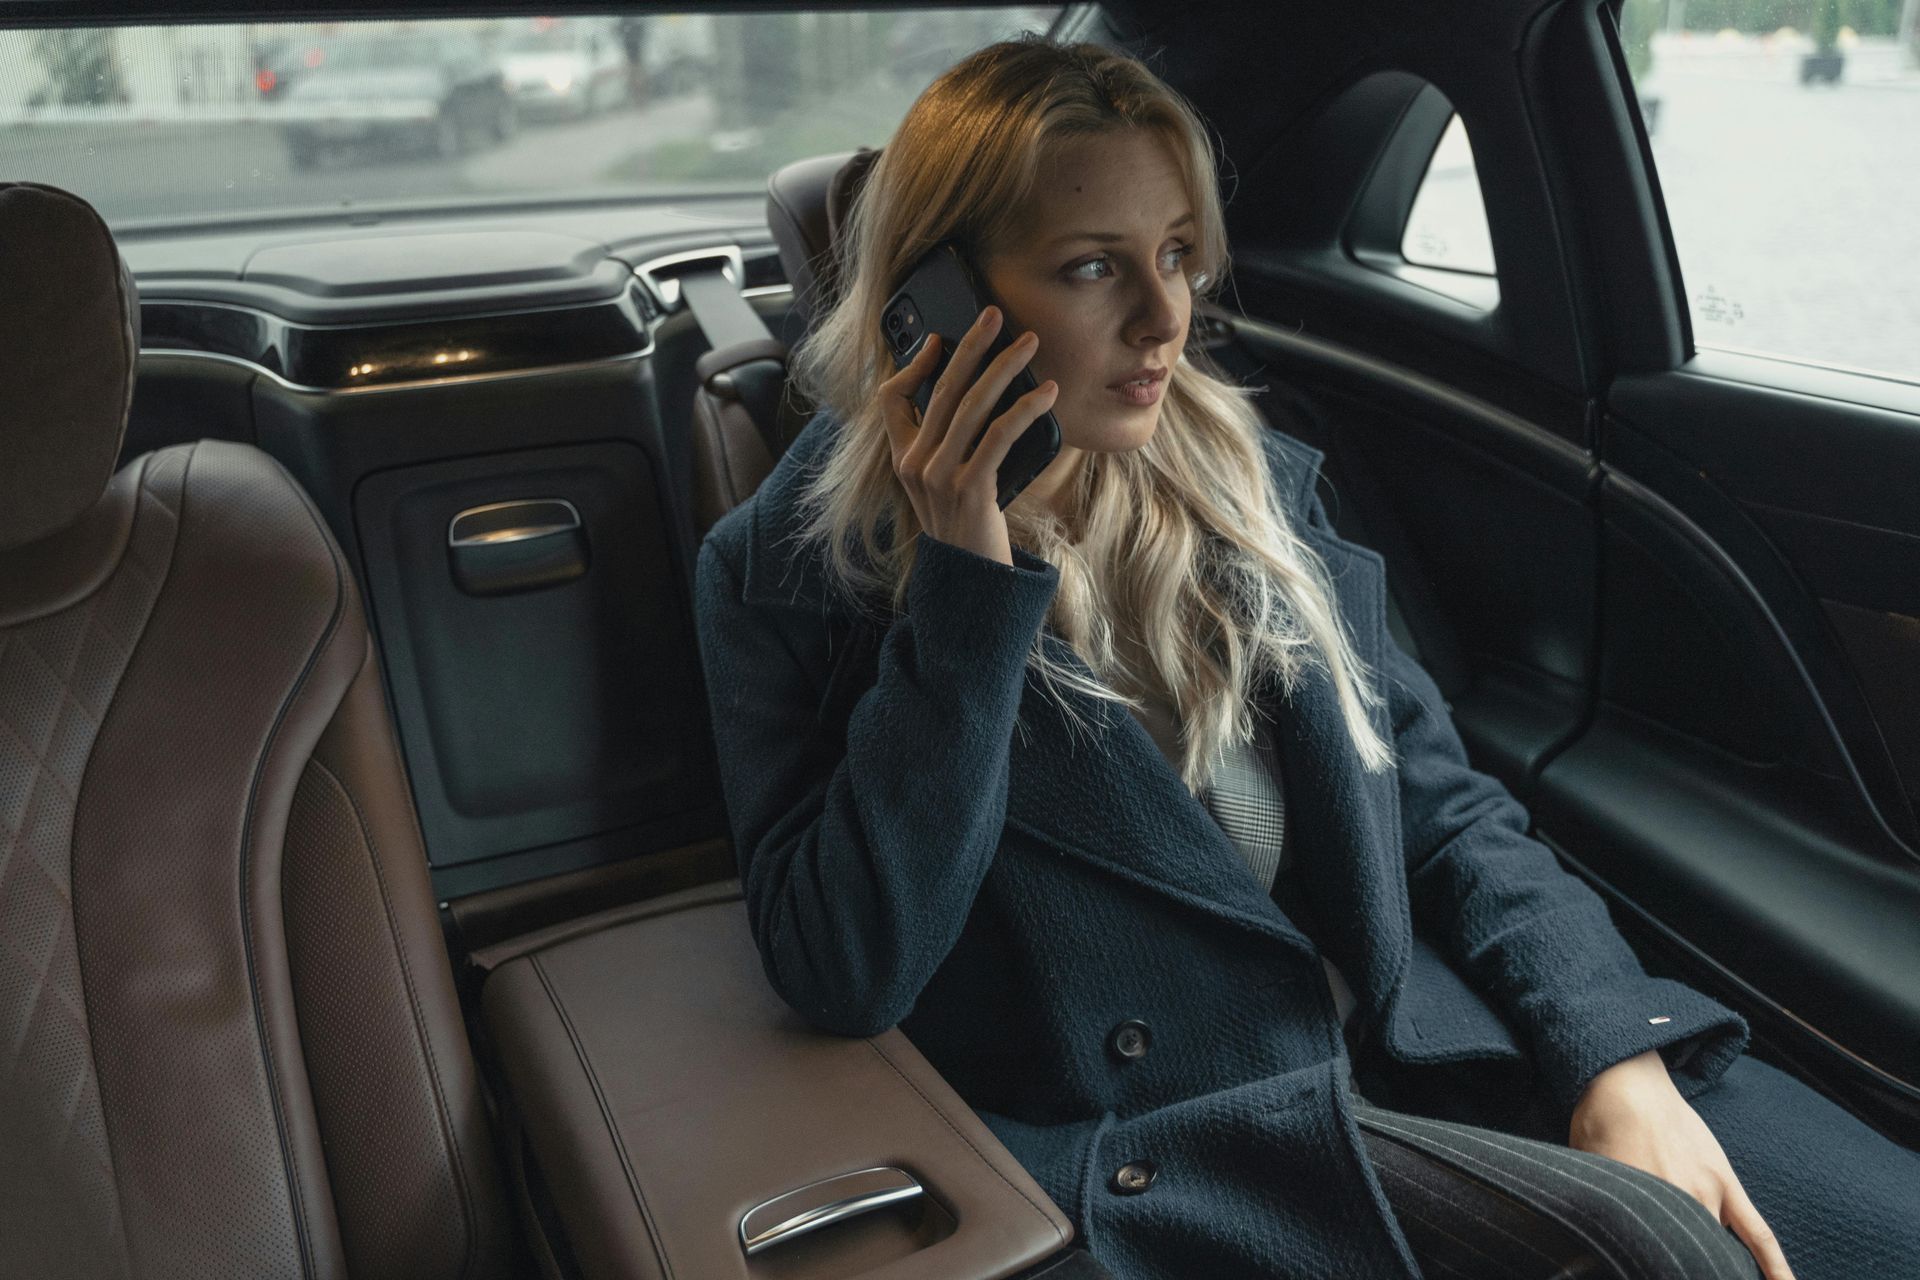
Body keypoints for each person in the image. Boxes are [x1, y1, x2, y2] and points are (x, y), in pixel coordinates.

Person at [693, 36, 1919, 1280]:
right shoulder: (790, 573)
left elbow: (1440, 813)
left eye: (1176, 253)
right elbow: (847, 966)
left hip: (1419, 1045)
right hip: (1181, 1143)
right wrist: (968, 585)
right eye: (1090, 267)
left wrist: (1612, 1054)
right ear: (934, 300)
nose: (1166, 317)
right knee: (1661, 1256)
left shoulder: (1248, 480)